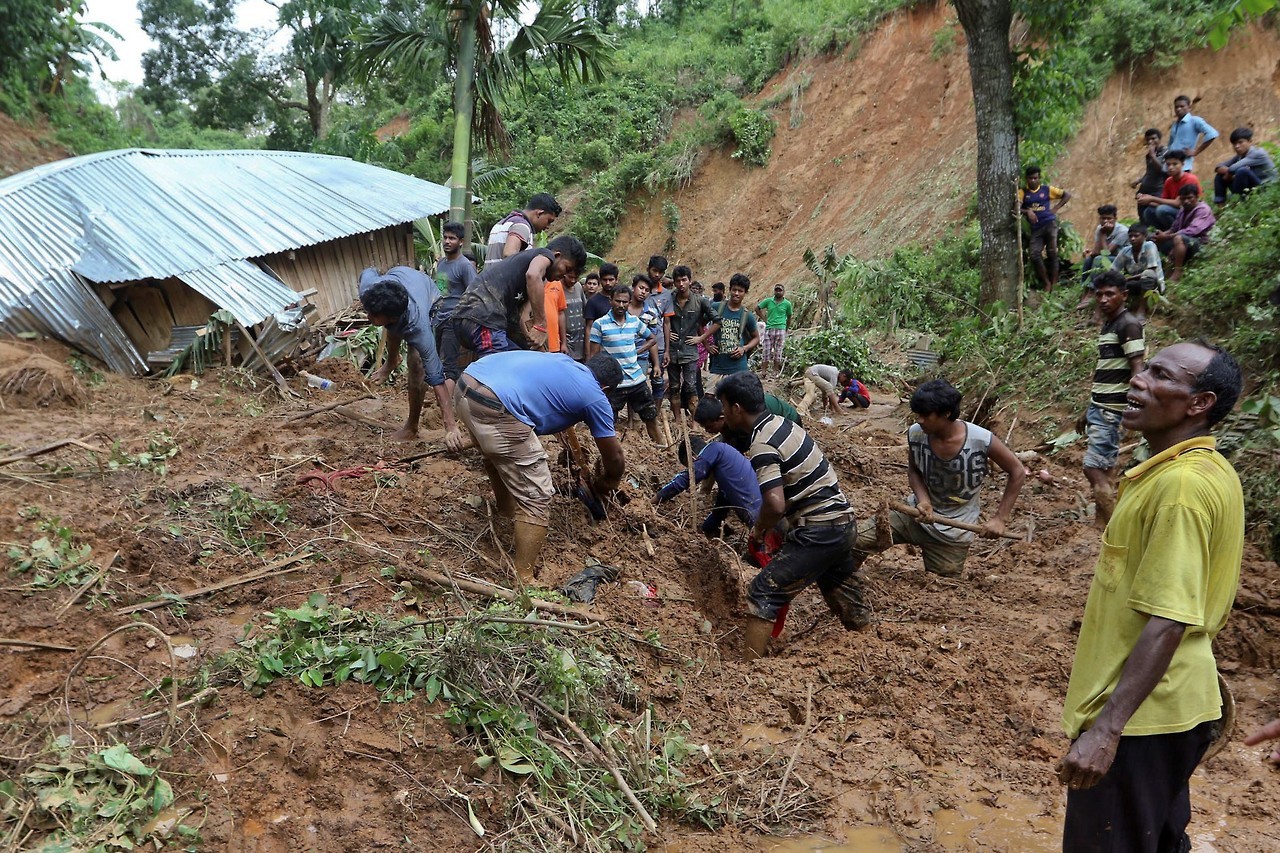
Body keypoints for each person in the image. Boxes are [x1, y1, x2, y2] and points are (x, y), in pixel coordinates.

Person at [1057, 340, 1244, 853]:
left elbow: (1168, 618)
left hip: (1143, 721)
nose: (1138, 378)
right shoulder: (1202, 470)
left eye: (1160, 374)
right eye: (1145, 367)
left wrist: (1107, 730)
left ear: (1199, 402)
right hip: (1172, 711)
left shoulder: (1181, 489)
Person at [717, 372, 870, 659]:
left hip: (820, 529)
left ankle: (749, 672)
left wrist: (759, 530)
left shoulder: (762, 442)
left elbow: (774, 504)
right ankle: (868, 651)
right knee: (844, 591)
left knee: (763, 591)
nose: (723, 414)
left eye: (724, 407)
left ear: (736, 408)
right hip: (843, 522)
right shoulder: (783, 424)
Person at [454, 351, 625, 582]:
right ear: (606, 389)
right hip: (496, 404)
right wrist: (609, 482)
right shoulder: (595, 396)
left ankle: (505, 514)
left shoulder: (565, 362)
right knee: (536, 496)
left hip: (466, 385)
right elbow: (614, 458)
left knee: (500, 455)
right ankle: (524, 579)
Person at [852, 379, 1025, 578]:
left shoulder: (980, 440)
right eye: (918, 414)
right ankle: (846, 580)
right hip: (915, 515)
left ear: (946, 414)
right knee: (856, 541)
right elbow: (914, 470)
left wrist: (1000, 519)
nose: (919, 420)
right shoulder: (916, 434)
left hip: (953, 530)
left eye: (925, 415)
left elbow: (1018, 471)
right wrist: (924, 501)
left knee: (944, 582)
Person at [359, 266, 465, 446]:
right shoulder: (369, 289)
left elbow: (436, 377)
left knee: (417, 365)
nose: (368, 317)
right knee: (395, 328)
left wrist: (450, 426)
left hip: (429, 296)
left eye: (374, 315)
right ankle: (392, 361)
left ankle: (411, 427)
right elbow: (368, 270)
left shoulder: (419, 327)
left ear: (392, 317)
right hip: (398, 279)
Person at [452, 235, 587, 356]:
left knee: (521, 358)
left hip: (470, 320)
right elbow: (533, 275)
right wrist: (541, 324)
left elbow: (524, 318)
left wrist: (542, 353)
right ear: (557, 256)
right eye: (567, 268)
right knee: (498, 374)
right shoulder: (544, 255)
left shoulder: (528, 282)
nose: (564, 275)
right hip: (482, 319)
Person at [1083, 271, 1145, 525]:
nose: (1103, 299)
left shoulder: (1127, 324)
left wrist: (1133, 405)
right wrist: (1088, 409)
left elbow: (1138, 367)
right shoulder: (1110, 324)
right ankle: (1102, 524)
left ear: (1124, 295)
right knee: (1106, 469)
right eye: (1099, 294)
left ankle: (1114, 526)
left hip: (1112, 409)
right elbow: (1105, 373)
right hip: (1101, 405)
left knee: (1093, 468)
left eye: (1110, 293)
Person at [588, 285, 665, 445]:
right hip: (614, 384)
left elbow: (652, 338)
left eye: (624, 302)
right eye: (617, 301)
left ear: (629, 302)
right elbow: (593, 357)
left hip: (637, 381)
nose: (621, 305)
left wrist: (636, 351)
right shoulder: (599, 324)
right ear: (611, 301)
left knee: (651, 418)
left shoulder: (634, 322)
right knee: (607, 423)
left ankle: (663, 449)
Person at [654, 435, 762, 539]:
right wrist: (706, 529)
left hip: (762, 521)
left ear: (693, 457)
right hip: (764, 516)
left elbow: (686, 479)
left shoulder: (713, 450)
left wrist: (655, 500)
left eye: (691, 465)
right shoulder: (726, 463)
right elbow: (720, 508)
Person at [665, 265, 720, 418]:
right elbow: (658, 319)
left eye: (684, 280)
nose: (681, 284)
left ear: (689, 280)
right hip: (673, 350)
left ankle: (695, 421)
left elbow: (717, 321)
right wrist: (667, 333)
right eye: (678, 281)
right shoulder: (668, 299)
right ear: (674, 282)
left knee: (691, 387)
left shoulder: (700, 301)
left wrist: (702, 338)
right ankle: (676, 419)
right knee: (674, 386)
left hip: (690, 351)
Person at [431, 221, 478, 386]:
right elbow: (441, 290)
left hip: (454, 320)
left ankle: (447, 406)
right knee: (436, 360)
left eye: (452, 238)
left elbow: (474, 294)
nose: (447, 241)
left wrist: (462, 317)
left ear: (461, 242)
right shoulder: (442, 263)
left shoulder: (465, 266)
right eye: (445, 237)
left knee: (449, 364)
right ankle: (439, 398)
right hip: (439, 319)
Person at [1019, 166, 1071, 293]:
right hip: (1036, 229)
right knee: (1035, 254)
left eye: (1035, 178)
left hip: (1050, 224)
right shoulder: (1023, 192)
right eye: (1030, 178)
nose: (1033, 181)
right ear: (1026, 179)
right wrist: (1027, 211)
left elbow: (1067, 195)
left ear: (1039, 178)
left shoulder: (1047, 190)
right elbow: (1016, 208)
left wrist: (1056, 208)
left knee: (1052, 252)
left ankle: (1054, 283)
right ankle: (1046, 282)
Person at [694, 393, 802, 455]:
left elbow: (747, 443)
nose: (707, 431)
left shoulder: (742, 416)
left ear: (722, 418)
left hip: (788, 421)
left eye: (709, 426)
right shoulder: (727, 415)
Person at [1154, 183, 1215, 284]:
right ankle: (1160, 269)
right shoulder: (1183, 210)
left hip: (1202, 244)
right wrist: (1162, 235)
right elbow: (1174, 228)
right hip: (1187, 242)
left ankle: (1178, 271)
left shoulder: (1203, 210)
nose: (1186, 201)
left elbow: (1192, 231)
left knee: (1179, 238)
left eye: (1189, 198)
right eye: (1183, 199)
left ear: (1197, 197)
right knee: (1155, 240)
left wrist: (1167, 236)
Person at [483, 193, 561, 264]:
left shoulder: (501, 224)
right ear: (539, 213)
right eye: (549, 221)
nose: (548, 226)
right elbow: (509, 254)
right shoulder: (522, 225)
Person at [708, 274, 760, 377]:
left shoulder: (747, 315)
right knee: (710, 393)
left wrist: (744, 348)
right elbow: (700, 324)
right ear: (729, 289)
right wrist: (707, 345)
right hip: (717, 365)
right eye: (734, 290)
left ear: (745, 293)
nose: (736, 293)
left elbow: (756, 338)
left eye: (740, 291)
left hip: (739, 367)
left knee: (736, 393)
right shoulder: (716, 307)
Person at [1109, 224, 1165, 319]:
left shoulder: (1149, 246)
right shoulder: (1125, 251)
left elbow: (1151, 270)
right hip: (1136, 284)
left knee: (1148, 275)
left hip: (1154, 285)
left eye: (1136, 236)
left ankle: (1142, 311)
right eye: (1130, 236)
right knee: (1110, 280)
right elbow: (1112, 270)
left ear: (1144, 236)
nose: (1133, 239)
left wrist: (1128, 279)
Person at [1136, 149, 1201, 231]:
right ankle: (1164, 232)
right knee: (1148, 212)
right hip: (1176, 211)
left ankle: (1176, 232)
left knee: (1162, 210)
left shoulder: (1190, 179)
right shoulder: (1169, 181)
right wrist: (1145, 199)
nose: (1171, 167)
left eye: (1175, 164)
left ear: (1183, 164)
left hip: (1190, 212)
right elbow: (1163, 201)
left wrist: (1151, 198)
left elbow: (1178, 203)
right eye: (1168, 164)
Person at [1213, 126, 1277, 204]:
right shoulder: (1240, 155)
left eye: (1240, 142)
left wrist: (1229, 173)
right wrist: (1228, 173)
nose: (1237, 146)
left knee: (1242, 171)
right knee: (1220, 175)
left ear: (1250, 141)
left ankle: (1241, 202)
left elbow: (1233, 168)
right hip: (1253, 186)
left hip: (1265, 188)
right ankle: (1220, 204)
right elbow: (1218, 166)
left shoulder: (1257, 153)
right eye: (1234, 144)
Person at [644, 257, 675, 404]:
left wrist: (668, 350)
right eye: (654, 271)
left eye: (660, 272)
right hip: (640, 343)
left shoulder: (666, 294)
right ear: (648, 269)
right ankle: (637, 417)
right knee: (638, 381)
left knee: (658, 381)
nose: (657, 275)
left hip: (660, 343)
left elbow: (666, 323)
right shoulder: (638, 290)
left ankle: (655, 414)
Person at [1079, 205, 1129, 288]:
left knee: (1099, 259)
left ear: (1115, 219)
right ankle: (1084, 286)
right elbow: (1096, 252)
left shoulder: (1122, 231)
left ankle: (1093, 287)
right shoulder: (1099, 228)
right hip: (1110, 256)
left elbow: (1106, 253)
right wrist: (1090, 254)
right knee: (1089, 259)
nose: (1106, 221)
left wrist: (1102, 234)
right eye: (1103, 218)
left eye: (1109, 218)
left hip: (1122, 259)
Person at [1166, 94, 1218, 172]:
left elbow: (1212, 134)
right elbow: (1171, 144)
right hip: (1170, 166)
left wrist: (1196, 152)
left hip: (1184, 166)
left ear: (1189, 108)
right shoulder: (1175, 124)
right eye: (1176, 107)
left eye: (1182, 106)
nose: (1178, 109)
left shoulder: (1194, 121)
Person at [756, 284, 794, 378]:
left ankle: (775, 371)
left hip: (780, 329)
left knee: (778, 351)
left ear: (783, 292)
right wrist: (764, 318)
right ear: (774, 291)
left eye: (780, 290)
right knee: (766, 351)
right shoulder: (769, 301)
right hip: (769, 328)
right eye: (776, 290)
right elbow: (757, 308)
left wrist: (786, 328)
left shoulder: (787, 304)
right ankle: (763, 372)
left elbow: (789, 317)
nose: (778, 292)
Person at [1132, 128, 1168, 223]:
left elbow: (1163, 170)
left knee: (1155, 212)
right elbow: (1150, 171)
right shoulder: (1149, 155)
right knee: (1142, 214)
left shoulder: (1166, 152)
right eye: (1148, 140)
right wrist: (1139, 181)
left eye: (1153, 138)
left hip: (1157, 189)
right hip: (1145, 188)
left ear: (1159, 139)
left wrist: (1153, 156)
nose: (1150, 141)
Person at [584, 263, 617, 327]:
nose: (608, 283)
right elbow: (589, 327)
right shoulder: (592, 301)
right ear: (600, 280)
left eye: (611, 280)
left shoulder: (621, 300)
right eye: (605, 280)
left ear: (616, 280)